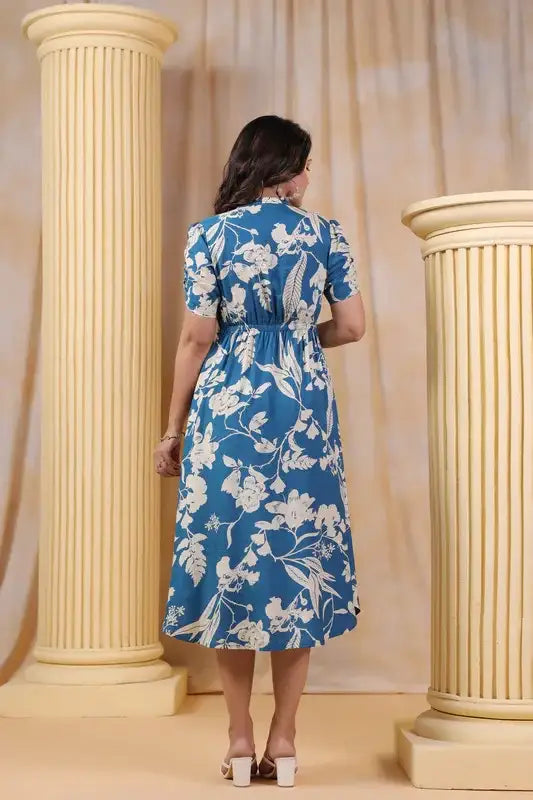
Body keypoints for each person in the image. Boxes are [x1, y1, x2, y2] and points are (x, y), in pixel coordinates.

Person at [154, 115, 366, 787]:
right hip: (302, 412)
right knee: (296, 572)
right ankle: (287, 740)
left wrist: (172, 429)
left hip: (228, 410)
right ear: (286, 168)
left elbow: (197, 338)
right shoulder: (326, 234)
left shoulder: (209, 236)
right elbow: (352, 327)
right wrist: (297, 339)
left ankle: (240, 741)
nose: (309, 175)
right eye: (306, 163)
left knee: (231, 570)